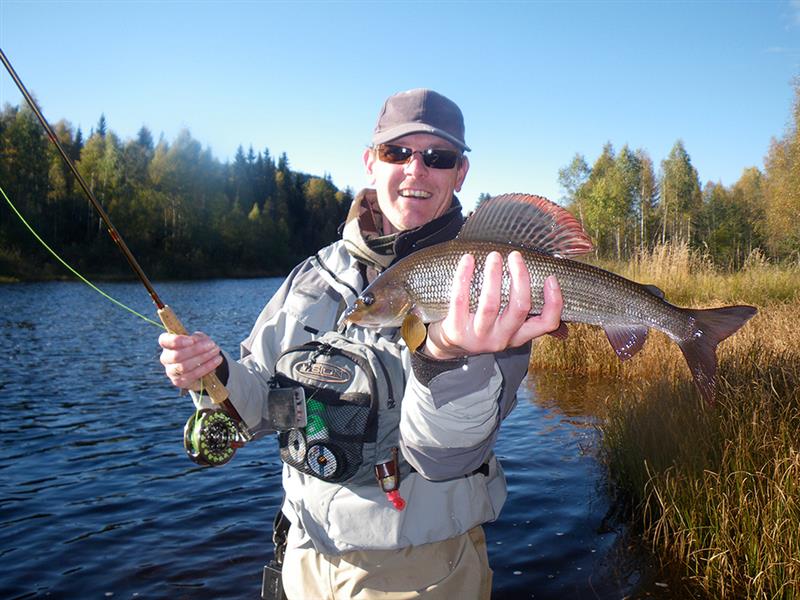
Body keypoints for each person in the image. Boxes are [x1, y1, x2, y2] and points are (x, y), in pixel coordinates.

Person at [159, 88, 564, 600]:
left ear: (460, 173)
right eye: (398, 153)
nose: (416, 170)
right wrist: (214, 373)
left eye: (437, 158)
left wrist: (446, 357)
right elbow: (264, 406)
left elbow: (446, 458)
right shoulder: (313, 275)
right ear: (371, 162)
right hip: (300, 558)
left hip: (422, 573)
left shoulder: (488, 285)